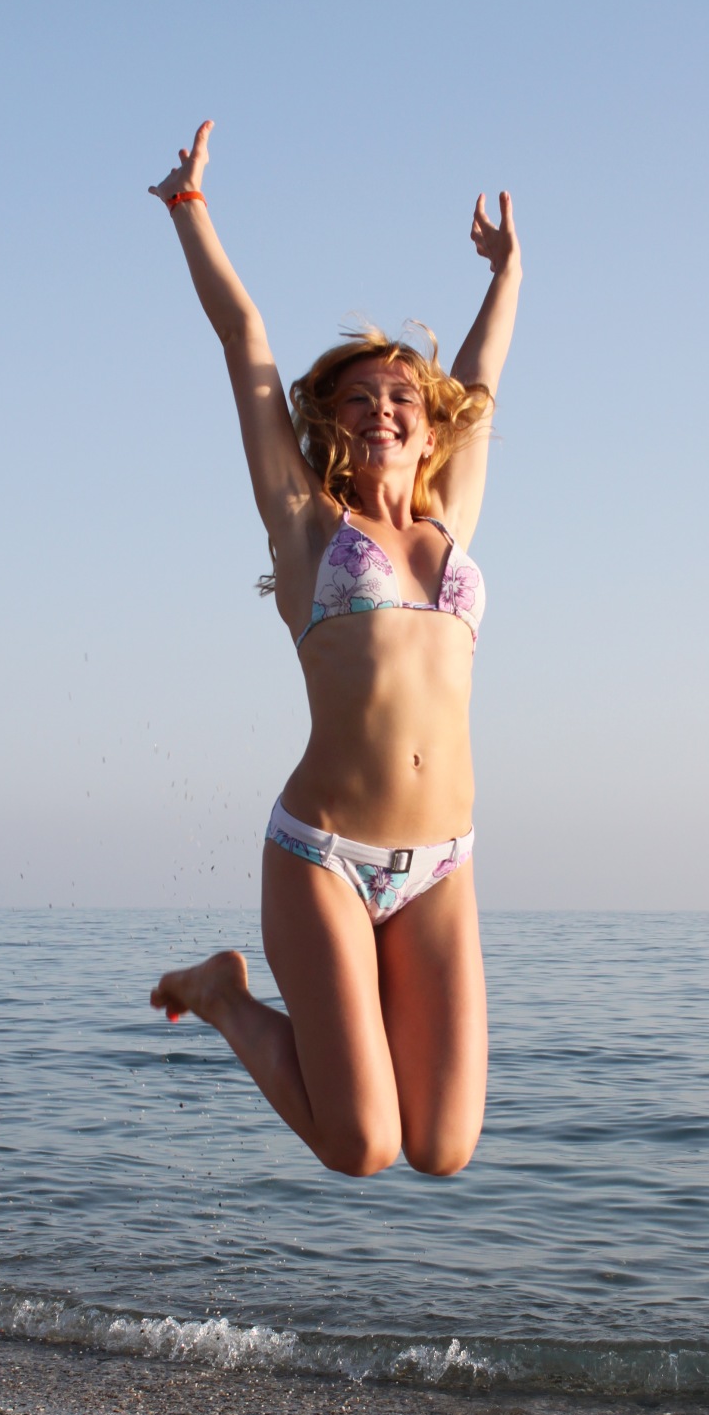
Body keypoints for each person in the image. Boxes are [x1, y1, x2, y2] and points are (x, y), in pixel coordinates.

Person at [148, 121, 521, 1178]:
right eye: (358, 398)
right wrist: (190, 210)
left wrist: (506, 274)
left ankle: (246, 998)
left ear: (430, 425)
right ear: (332, 422)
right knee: (362, 1145)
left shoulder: (452, 522)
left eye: (401, 396)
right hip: (323, 852)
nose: (382, 410)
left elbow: (483, 374)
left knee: (442, 1148)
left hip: (442, 862)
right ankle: (223, 996)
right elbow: (246, 340)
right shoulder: (309, 530)